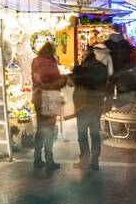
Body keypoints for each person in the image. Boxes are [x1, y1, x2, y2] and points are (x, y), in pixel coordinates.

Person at [71, 46, 110, 170]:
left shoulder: (80, 69)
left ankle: (84, 160)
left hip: (82, 105)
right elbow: (105, 85)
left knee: (82, 133)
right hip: (96, 104)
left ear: (86, 56)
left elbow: (73, 82)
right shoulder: (103, 68)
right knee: (94, 132)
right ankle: (95, 160)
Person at [30, 42, 67, 172]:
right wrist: (64, 79)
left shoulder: (35, 61)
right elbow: (56, 81)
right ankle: (49, 160)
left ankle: (37, 158)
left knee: (40, 128)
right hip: (50, 98)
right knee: (49, 129)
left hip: (38, 98)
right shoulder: (50, 63)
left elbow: (38, 79)